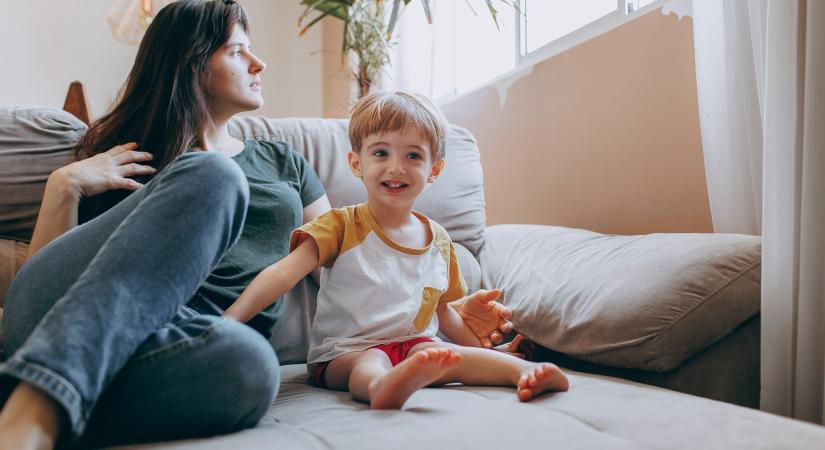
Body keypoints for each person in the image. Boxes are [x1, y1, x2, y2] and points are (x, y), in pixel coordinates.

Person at [0, 2, 513, 449]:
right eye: (238, 50)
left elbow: (348, 258)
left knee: (253, 366)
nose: (259, 62)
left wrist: (437, 304)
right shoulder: (127, 155)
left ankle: (30, 396)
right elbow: (41, 298)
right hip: (61, 322)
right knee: (214, 175)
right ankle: (34, 413)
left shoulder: (282, 162)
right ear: (192, 62)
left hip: (182, 345)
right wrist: (64, 186)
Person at [224, 91, 569, 409]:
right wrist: (230, 320)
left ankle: (522, 372)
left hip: (413, 346)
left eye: (413, 155)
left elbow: (444, 313)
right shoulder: (340, 225)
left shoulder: (439, 240)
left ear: (434, 170)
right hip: (344, 353)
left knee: (447, 355)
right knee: (371, 361)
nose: (396, 167)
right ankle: (382, 387)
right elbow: (282, 275)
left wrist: (479, 349)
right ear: (356, 163)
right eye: (381, 153)